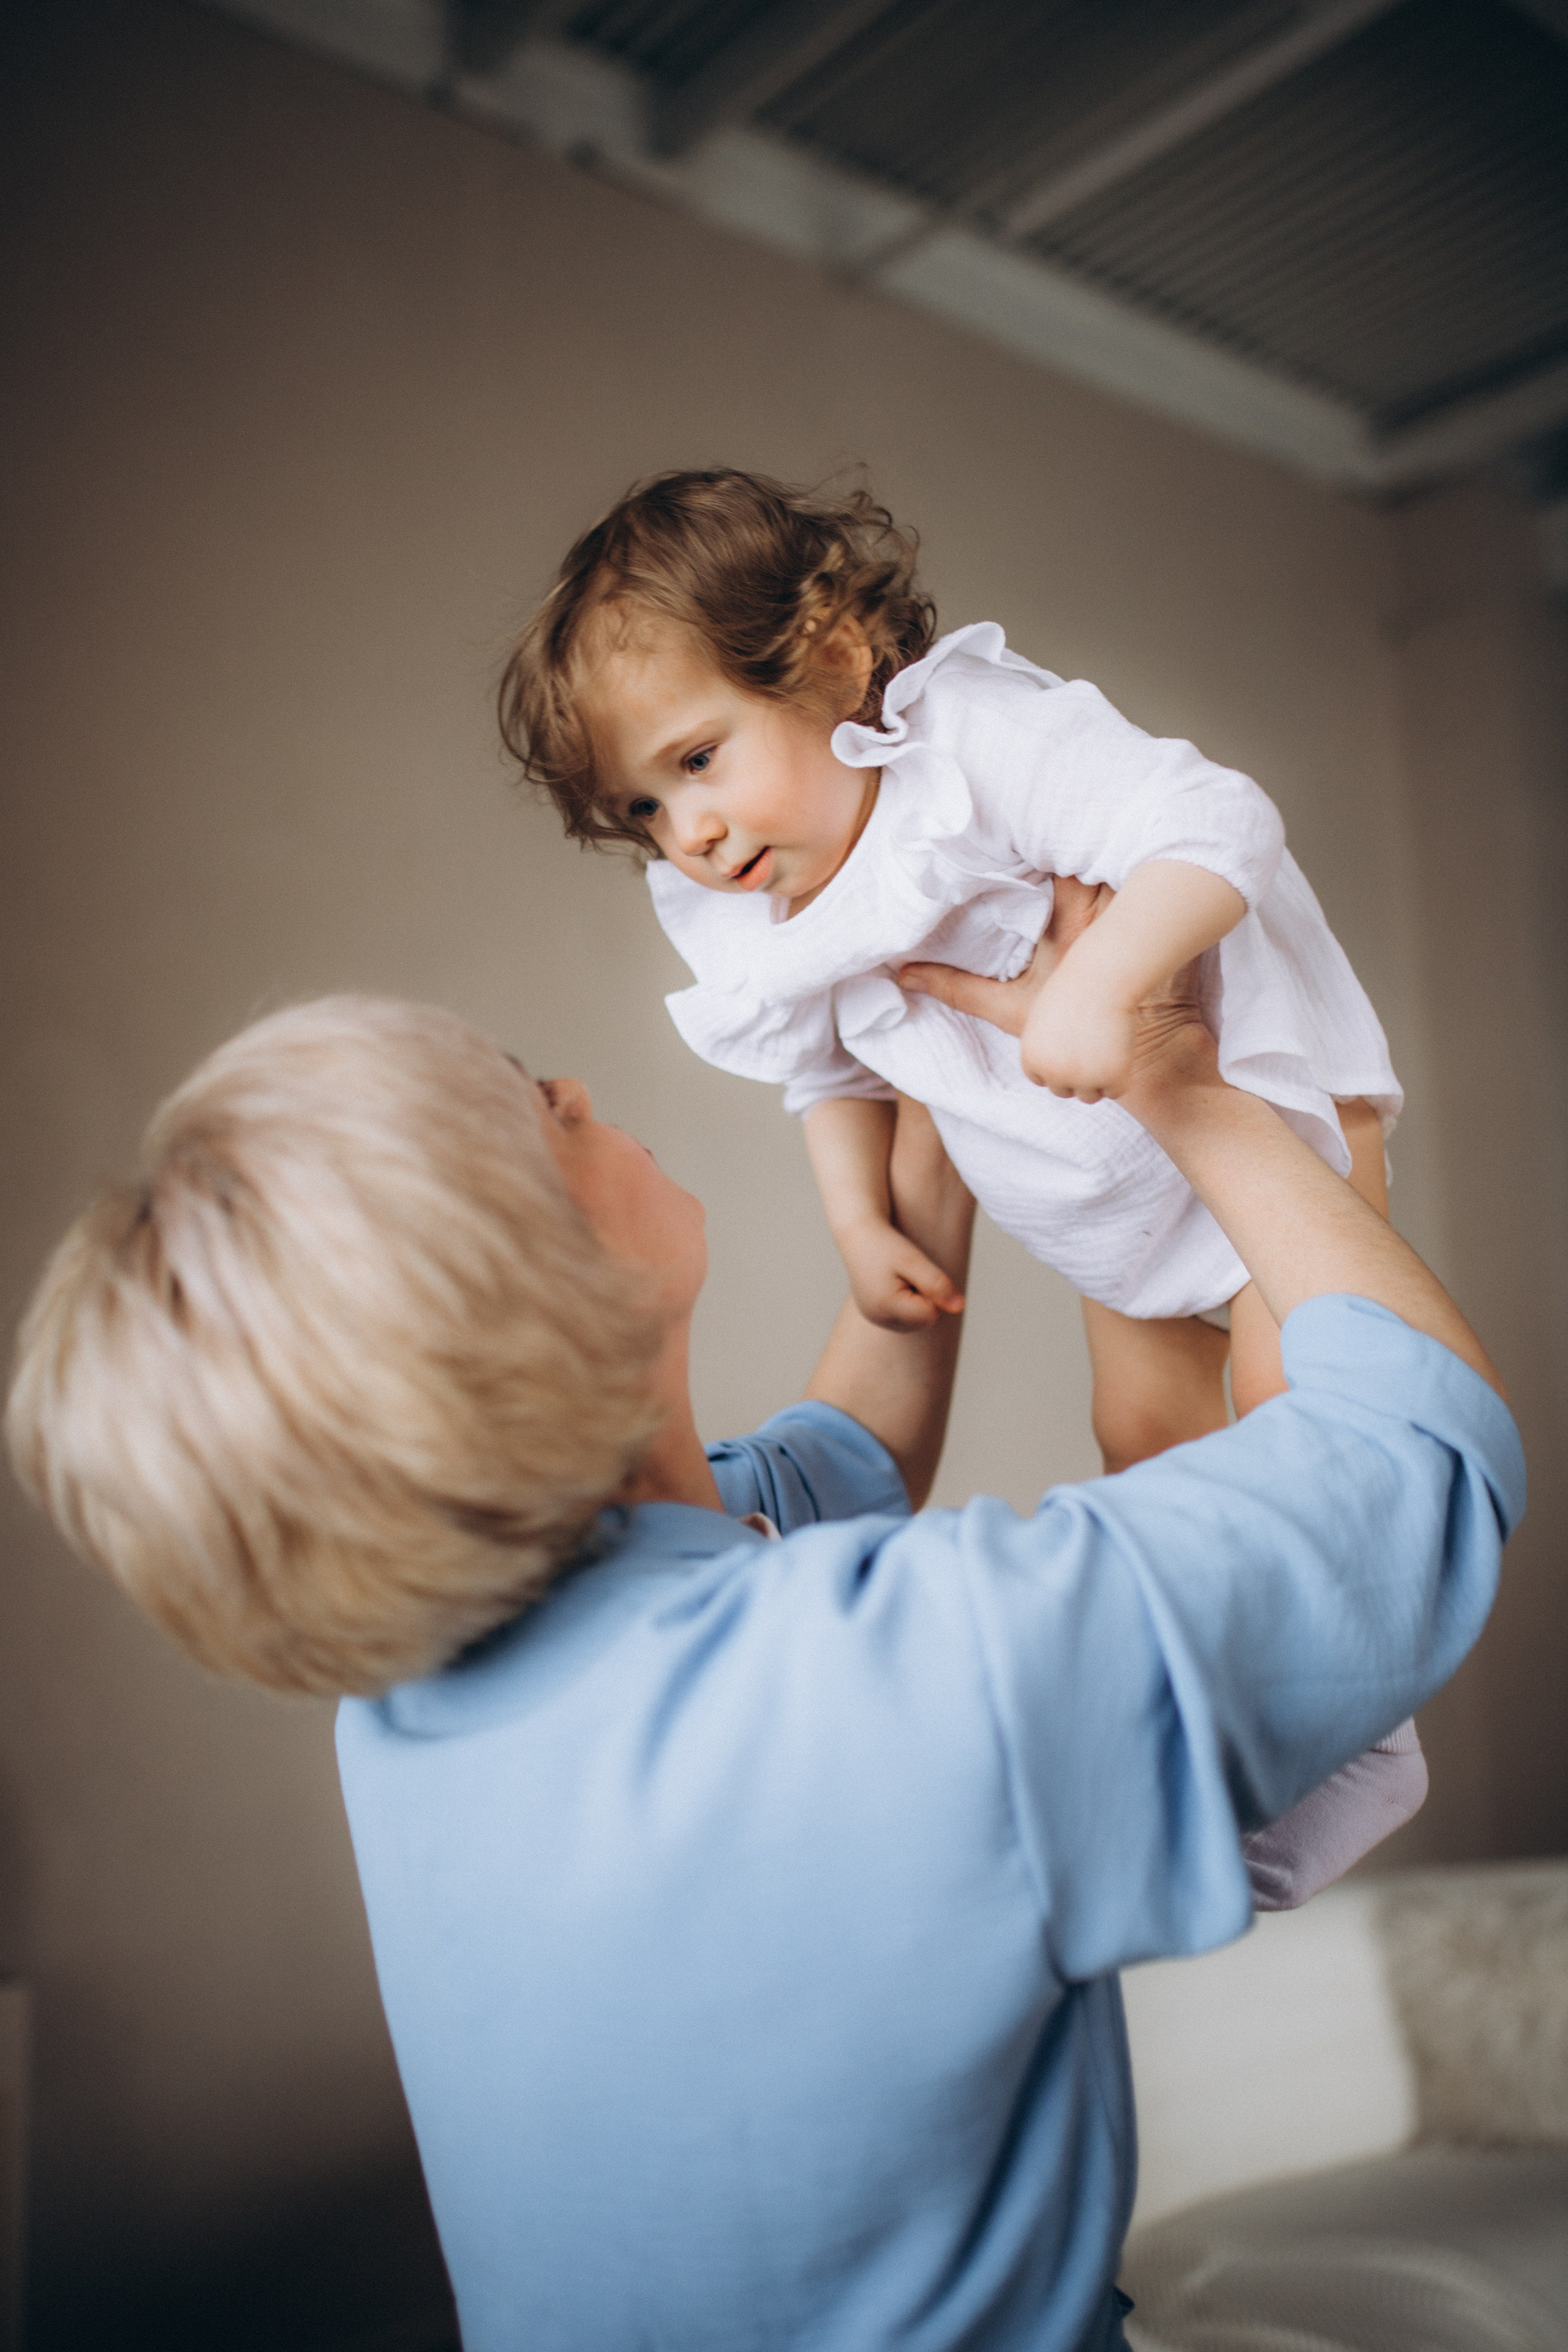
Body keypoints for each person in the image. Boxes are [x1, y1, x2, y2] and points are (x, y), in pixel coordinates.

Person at [6, 910, 1520, 2351]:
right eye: (541, 1105)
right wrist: (1176, 1087)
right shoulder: (930, 1675)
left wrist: (940, 1087)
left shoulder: (414, 1700)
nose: (580, 1086)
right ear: (539, 1290)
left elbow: (837, 1460)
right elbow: (1423, 1455)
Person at [501, 468, 1400, 1472]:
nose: (691, 834)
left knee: (1307, 1408)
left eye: (699, 759)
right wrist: (860, 1225)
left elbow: (1220, 822)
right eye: (644, 809)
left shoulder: (968, 745)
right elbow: (832, 1076)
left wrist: (1106, 984)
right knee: (1143, 1442)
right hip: (1105, 1197)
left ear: (835, 659)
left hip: (1263, 1102)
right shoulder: (763, 905)